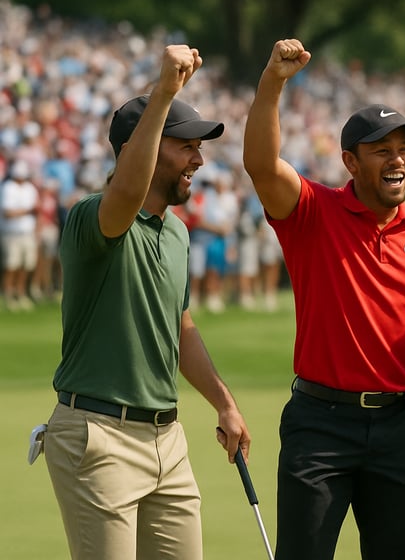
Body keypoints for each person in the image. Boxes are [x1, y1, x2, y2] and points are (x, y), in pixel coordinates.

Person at [242, 39, 405, 560]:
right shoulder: (311, 212)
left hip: (402, 426)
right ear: (350, 161)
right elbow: (261, 164)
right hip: (320, 424)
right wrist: (273, 81)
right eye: (382, 150)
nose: (398, 160)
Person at [43, 44, 252, 560]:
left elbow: (181, 327)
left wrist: (224, 403)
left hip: (167, 440)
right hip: (98, 436)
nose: (199, 160)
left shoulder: (177, 232)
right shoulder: (94, 216)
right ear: (145, 145)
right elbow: (124, 195)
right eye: (186, 147)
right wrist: (164, 93)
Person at [1, 160, 39, 311]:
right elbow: (8, 213)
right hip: (12, 233)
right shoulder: (7, 188)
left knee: (26, 265)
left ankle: (20, 293)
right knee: (11, 265)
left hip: (28, 232)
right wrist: (27, 211)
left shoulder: (30, 188)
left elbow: (37, 209)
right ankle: (8, 294)